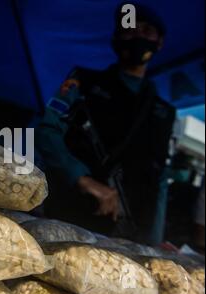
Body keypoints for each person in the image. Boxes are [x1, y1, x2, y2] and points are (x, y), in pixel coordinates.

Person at [36, 3, 176, 245]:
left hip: (130, 236)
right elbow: (46, 131)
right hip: (70, 219)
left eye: (146, 30)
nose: (137, 35)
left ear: (160, 42)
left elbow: (160, 179)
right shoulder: (84, 82)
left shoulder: (163, 111)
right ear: (116, 37)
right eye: (130, 28)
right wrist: (82, 178)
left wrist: (156, 243)